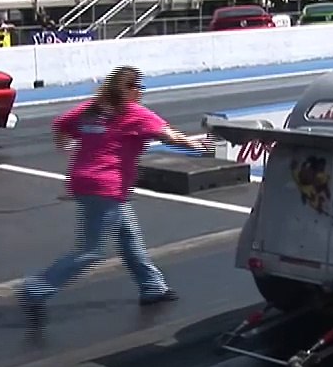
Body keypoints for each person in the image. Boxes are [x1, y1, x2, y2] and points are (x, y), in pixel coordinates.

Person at [19, 66, 210, 323]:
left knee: (129, 237)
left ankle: (152, 287)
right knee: (91, 250)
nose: (141, 92)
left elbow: (61, 124)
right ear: (130, 90)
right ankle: (37, 288)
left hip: (87, 182)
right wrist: (197, 145)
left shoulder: (92, 109)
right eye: (139, 87)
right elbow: (169, 136)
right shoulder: (134, 113)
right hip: (105, 186)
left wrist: (63, 144)